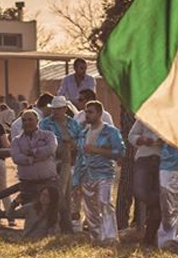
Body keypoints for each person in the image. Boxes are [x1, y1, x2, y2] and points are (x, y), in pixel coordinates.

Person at [73, 100, 125, 244]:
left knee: (105, 202)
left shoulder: (110, 132)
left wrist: (98, 150)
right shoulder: (83, 133)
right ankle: (96, 237)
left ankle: (110, 237)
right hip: (86, 175)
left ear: (100, 113)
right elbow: (79, 158)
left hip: (104, 173)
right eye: (86, 112)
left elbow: (120, 152)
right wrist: (76, 180)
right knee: (90, 208)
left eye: (90, 112)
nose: (87, 115)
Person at [40, 95, 84, 232]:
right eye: (54, 109)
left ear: (65, 109)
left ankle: (65, 224)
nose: (56, 112)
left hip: (72, 160)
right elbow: (42, 139)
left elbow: (82, 140)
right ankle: (59, 224)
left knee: (67, 192)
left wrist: (73, 145)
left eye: (59, 109)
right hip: (53, 161)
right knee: (57, 192)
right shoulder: (45, 123)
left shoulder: (73, 123)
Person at [9, 109, 58, 206]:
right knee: (30, 214)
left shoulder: (48, 136)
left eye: (30, 119)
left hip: (47, 183)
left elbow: (50, 149)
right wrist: (33, 158)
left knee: (48, 213)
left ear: (37, 121)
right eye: (24, 120)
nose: (27, 122)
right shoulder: (16, 141)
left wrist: (32, 152)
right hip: (28, 185)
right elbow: (16, 157)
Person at [127, 118, 163, 247]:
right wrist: (142, 139)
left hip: (164, 159)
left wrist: (164, 141)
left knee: (154, 204)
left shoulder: (172, 115)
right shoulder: (145, 115)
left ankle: (149, 239)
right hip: (144, 157)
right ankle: (163, 202)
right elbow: (131, 136)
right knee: (140, 191)